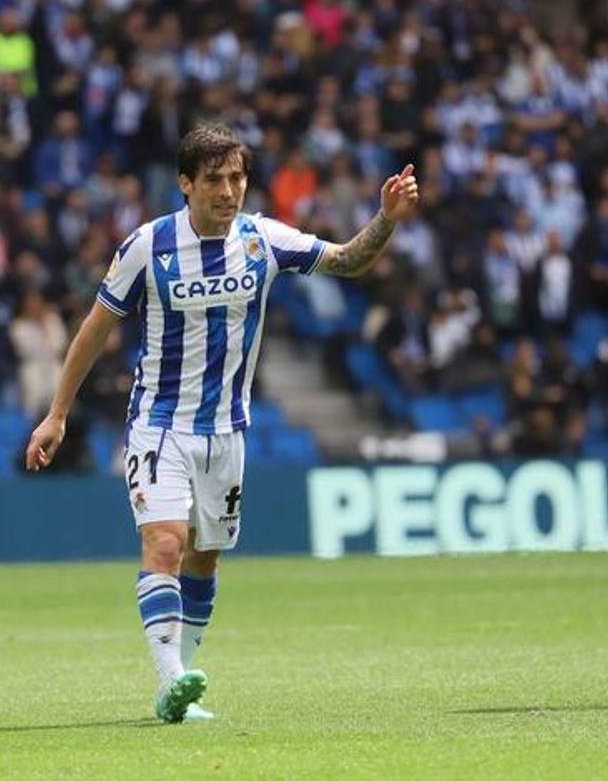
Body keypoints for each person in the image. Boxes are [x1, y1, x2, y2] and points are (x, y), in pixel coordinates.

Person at [24, 123, 418, 723]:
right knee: (165, 543)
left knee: (205, 559)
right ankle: (170, 678)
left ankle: (177, 693)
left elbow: (345, 261)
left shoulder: (263, 239)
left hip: (227, 432)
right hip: (159, 423)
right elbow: (95, 330)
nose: (229, 191)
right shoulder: (147, 247)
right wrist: (57, 414)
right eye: (215, 180)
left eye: (237, 178)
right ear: (185, 184)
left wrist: (385, 219)